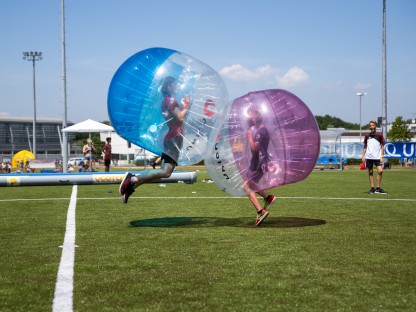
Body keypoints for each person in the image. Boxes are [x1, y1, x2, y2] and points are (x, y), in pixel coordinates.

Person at [119, 76, 191, 203]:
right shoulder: (170, 100)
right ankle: (132, 179)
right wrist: (187, 106)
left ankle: (131, 186)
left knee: (166, 172)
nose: (177, 86)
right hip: (174, 138)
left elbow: (178, 118)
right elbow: (180, 117)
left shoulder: (167, 100)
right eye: (175, 84)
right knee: (165, 172)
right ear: (169, 86)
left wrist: (185, 108)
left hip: (173, 138)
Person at [244, 108, 276, 227]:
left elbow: (254, 148)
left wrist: (249, 136)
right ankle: (268, 198)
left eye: (250, 118)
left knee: (246, 186)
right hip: (259, 161)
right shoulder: (264, 130)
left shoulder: (260, 132)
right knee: (249, 184)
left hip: (258, 162)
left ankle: (260, 211)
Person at [362, 120, 387, 194]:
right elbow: (365, 146)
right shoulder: (367, 136)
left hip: (377, 157)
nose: (371, 127)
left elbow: (382, 146)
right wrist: (363, 155)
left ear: (375, 126)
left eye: (373, 125)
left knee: (380, 171)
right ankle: (372, 188)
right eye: (370, 125)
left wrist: (382, 156)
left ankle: (378, 188)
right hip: (368, 157)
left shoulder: (379, 136)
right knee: (370, 172)